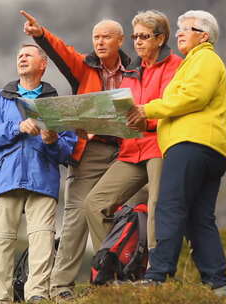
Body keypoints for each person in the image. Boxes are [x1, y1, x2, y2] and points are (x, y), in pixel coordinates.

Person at [21, 10, 133, 301]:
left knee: (112, 212)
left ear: (120, 40)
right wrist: (41, 35)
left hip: (127, 149)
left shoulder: (135, 72)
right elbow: (63, 53)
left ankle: (112, 279)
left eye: (106, 36)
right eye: (96, 37)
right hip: (91, 150)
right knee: (75, 216)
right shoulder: (85, 67)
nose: (100, 41)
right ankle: (61, 288)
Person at [127, 10, 226, 296]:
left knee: (169, 206)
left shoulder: (205, 59)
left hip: (191, 143)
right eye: (179, 29)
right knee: (199, 217)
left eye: (188, 28)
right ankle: (217, 283)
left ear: (205, 35)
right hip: (209, 148)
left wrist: (148, 109)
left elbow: (192, 97)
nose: (179, 33)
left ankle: (158, 275)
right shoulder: (193, 62)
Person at [0, 44, 76, 304]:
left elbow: (68, 151)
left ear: (43, 64)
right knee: (1, 243)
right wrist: (17, 127)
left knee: (42, 240)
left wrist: (52, 139)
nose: (21, 57)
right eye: (19, 55)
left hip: (42, 178)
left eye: (28, 54)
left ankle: (37, 296)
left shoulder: (57, 105)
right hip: (6, 179)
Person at [84, 10, 182, 252]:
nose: (137, 41)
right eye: (135, 36)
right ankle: (110, 266)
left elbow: (175, 107)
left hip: (159, 145)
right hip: (130, 149)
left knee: (157, 206)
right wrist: (98, 124)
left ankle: (156, 272)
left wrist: (145, 121)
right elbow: (123, 113)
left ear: (160, 39)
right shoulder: (130, 71)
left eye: (144, 36)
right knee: (95, 203)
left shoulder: (175, 66)